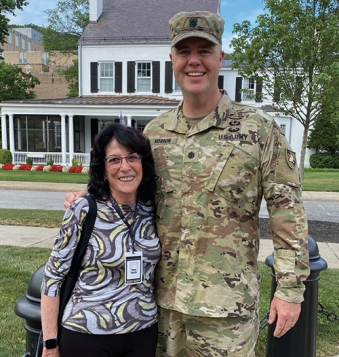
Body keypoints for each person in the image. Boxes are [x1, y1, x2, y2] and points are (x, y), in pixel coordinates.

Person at [65, 11, 310, 357]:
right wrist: (92, 198)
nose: (194, 61)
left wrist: (289, 289)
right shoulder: (153, 133)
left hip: (226, 312)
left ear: (220, 57)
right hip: (159, 307)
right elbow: (130, 194)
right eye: (184, 52)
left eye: (204, 51)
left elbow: (289, 213)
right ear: (172, 60)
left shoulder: (259, 130)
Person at [41, 123, 161, 357]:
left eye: (132, 157)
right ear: (102, 169)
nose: (125, 167)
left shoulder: (152, 208)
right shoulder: (84, 209)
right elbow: (53, 278)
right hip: (86, 334)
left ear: (143, 163)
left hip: (143, 333)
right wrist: (50, 343)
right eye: (114, 160)